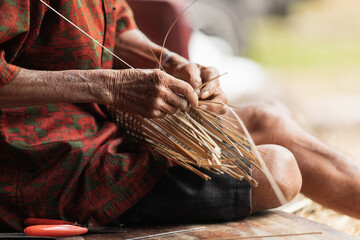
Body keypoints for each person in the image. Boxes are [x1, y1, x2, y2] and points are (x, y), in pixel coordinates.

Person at [0, 0, 359, 232]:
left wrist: (171, 62)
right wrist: (109, 86)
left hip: (106, 125)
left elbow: (118, 29)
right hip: (49, 164)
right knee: (278, 172)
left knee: (270, 118)